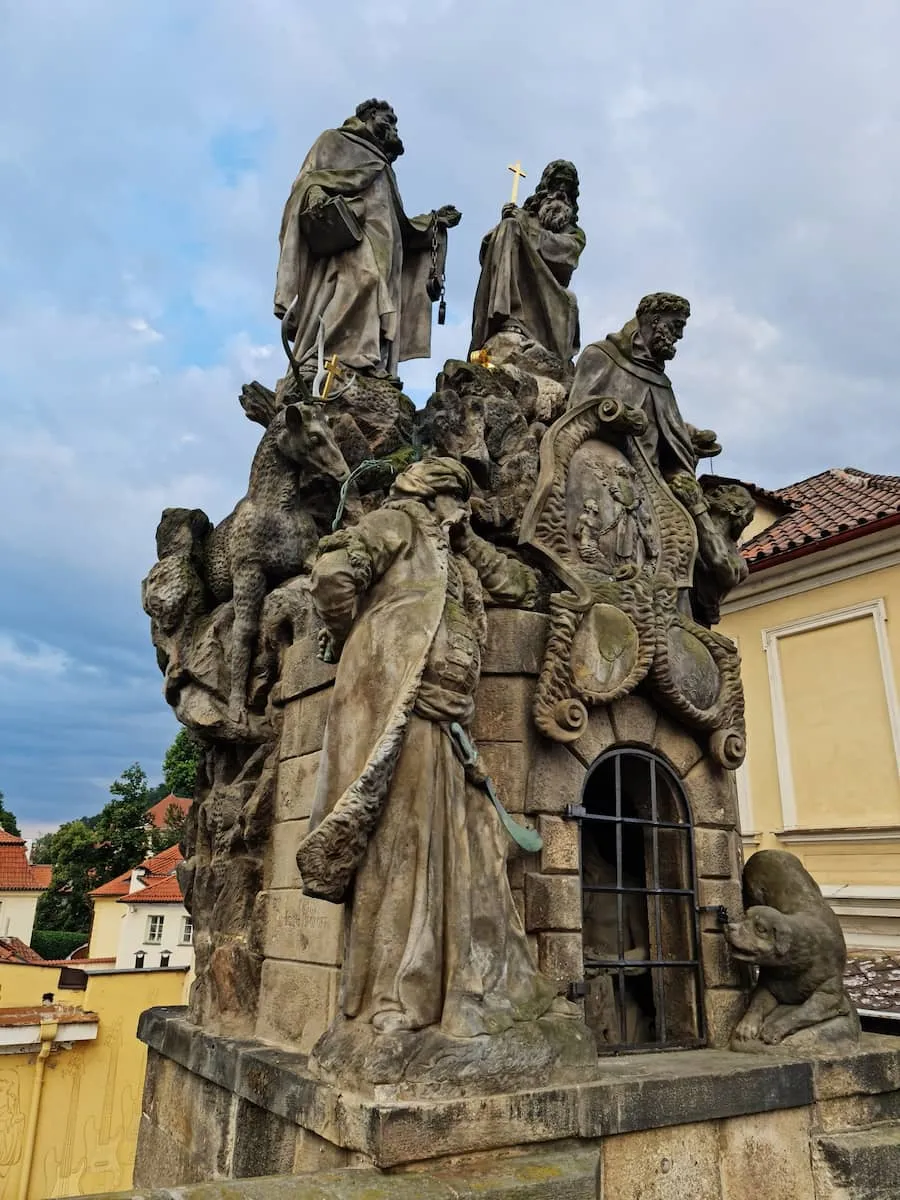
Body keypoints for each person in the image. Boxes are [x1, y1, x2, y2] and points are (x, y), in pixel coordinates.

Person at [297, 457, 558, 1038]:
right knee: (403, 853)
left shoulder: (455, 553)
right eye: (461, 503)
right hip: (403, 711)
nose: (466, 515)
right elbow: (334, 574)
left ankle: (459, 985)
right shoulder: (399, 523)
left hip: (447, 725)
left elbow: (518, 585)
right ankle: (396, 996)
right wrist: (367, 648)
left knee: (466, 854)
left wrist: (464, 535)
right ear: (441, 496)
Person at [274, 99, 461, 384]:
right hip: (350, 236)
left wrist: (434, 221)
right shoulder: (335, 140)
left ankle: (367, 363)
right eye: (389, 119)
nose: (394, 127)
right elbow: (308, 180)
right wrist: (315, 194)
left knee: (376, 296)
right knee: (362, 281)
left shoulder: (384, 167)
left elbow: (400, 222)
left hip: (386, 247)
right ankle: (321, 358)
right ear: (370, 116)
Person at [567, 293, 718, 482]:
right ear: (656, 320)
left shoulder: (661, 382)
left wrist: (689, 436)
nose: (679, 335)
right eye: (677, 326)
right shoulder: (600, 355)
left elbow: (660, 425)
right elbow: (576, 414)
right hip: (605, 468)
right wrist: (620, 417)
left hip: (653, 481)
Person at [470, 160, 585, 365]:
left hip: (550, 291)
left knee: (570, 299)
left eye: (567, 187)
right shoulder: (521, 218)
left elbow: (567, 255)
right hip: (517, 280)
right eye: (557, 183)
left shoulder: (575, 233)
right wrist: (503, 226)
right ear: (545, 188)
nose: (561, 190)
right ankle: (506, 316)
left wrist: (526, 233)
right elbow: (487, 251)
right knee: (508, 227)